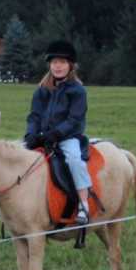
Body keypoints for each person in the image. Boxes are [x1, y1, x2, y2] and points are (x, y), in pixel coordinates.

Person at [24, 40, 91, 225]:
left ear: (70, 65)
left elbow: (74, 119)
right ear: (49, 65)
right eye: (54, 62)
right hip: (43, 137)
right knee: (19, 157)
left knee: (74, 160)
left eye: (62, 62)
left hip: (67, 138)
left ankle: (83, 204)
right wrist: (31, 135)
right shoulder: (41, 91)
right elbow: (34, 116)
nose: (58, 66)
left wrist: (55, 134)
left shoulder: (78, 91)